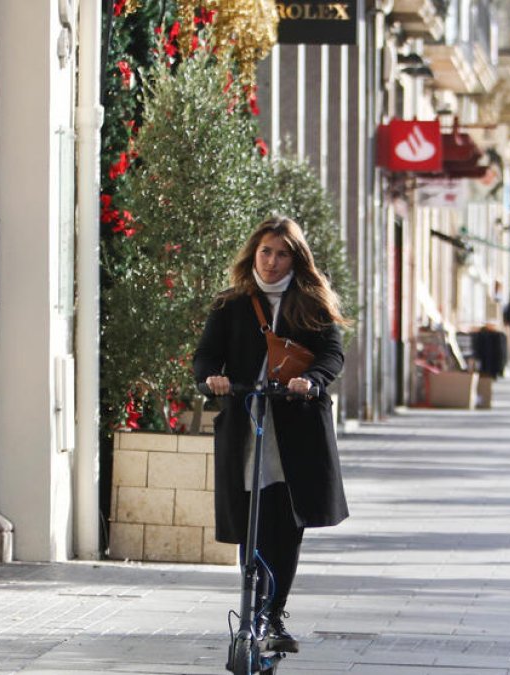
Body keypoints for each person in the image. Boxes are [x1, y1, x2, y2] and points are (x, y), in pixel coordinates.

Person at [192, 216, 349, 653]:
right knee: (252, 521)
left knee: (287, 521)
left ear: (295, 258)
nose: (273, 262)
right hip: (248, 421)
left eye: (282, 254)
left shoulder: (311, 303)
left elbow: (332, 354)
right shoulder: (232, 304)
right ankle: (251, 610)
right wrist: (213, 379)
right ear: (253, 253)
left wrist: (313, 380)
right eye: (266, 252)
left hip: (296, 428)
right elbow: (205, 356)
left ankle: (274, 613)